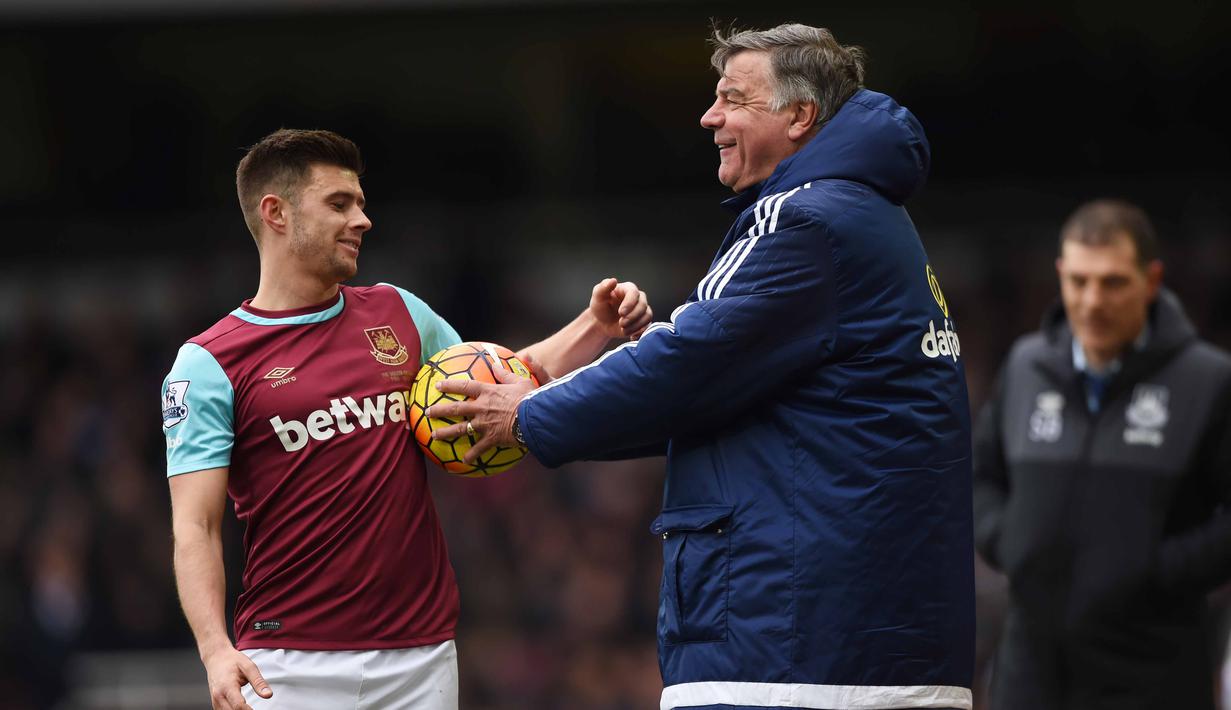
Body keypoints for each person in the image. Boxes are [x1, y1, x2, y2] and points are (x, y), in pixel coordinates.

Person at [429, 23, 975, 710]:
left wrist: (528, 413)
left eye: (731, 99)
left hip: (794, 651)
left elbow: (687, 367)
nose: (708, 116)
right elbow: (715, 381)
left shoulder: (803, 221)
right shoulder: (868, 219)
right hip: (870, 642)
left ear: (799, 116)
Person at [161, 128, 652, 710]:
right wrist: (215, 649)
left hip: (421, 656)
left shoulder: (398, 312)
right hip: (287, 665)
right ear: (276, 213)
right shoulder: (210, 363)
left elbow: (497, 381)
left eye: (362, 204)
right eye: (339, 204)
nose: (363, 220)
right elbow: (196, 526)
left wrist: (595, 327)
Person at [971, 199, 1231, 709]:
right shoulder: (1025, 366)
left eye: (1112, 282)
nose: (1092, 301)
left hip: (1155, 673)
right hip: (1030, 673)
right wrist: (1011, 541)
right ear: (1061, 276)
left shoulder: (1209, 381)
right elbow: (980, 477)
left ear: (1151, 281)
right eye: (1079, 281)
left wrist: (1158, 571)